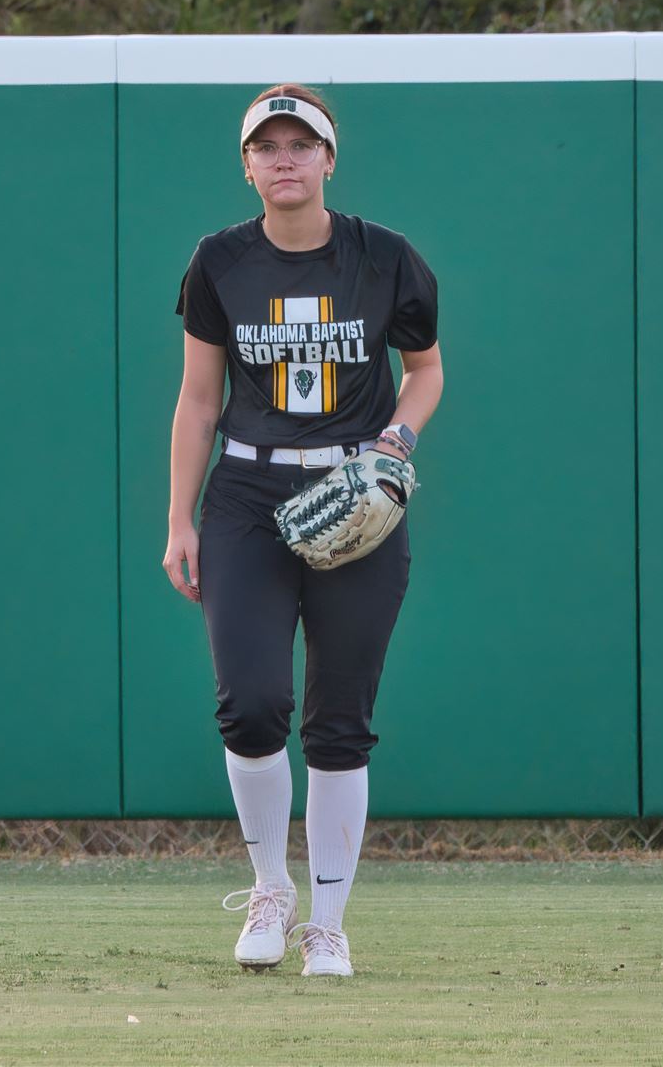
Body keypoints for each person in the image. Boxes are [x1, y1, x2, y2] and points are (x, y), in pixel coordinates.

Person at [162, 83, 443, 977]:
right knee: (249, 705)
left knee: (339, 722)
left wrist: (397, 437)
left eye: (301, 144)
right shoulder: (219, 262)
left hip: (355, 494)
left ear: (329, 158)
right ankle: (270, 889)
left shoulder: (386, 258)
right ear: (246, 166)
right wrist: (180, 519)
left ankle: (328, 920)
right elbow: (198, 399)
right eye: (267, 146)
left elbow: (427, 370)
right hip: (248, 495)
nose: (284, 159)